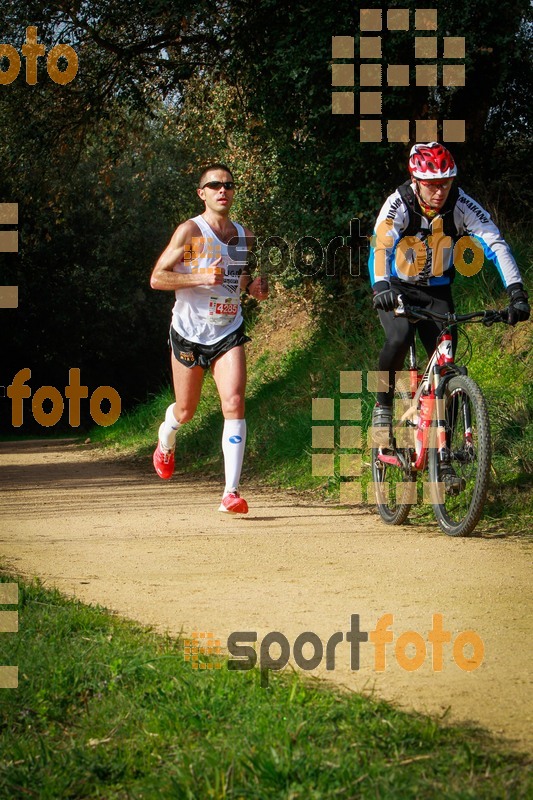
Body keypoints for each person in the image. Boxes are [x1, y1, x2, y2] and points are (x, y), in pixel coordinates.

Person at [368, 142, 530, 486]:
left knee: (448, 369)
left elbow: (494, 241)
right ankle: (383, 407)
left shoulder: (461, 203)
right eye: (432, 184)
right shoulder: (399, 203)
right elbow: (381, 244)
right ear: (415, 180)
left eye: (446, 182)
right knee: (398, 337)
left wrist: (516, 291)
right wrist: (381, 285)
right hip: (396, 285)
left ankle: (444, 459)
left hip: (436, 292)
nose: (440, 191)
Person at [149, 163, 268, 513]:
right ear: (202, 193)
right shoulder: (191, 234)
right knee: (186, 411)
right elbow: (159, 277)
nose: (223, 190)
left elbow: (235, 278)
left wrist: (252, 287)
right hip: (188, 332)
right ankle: (166, 439)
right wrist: (198, 277)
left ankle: (230, 492)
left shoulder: (241, 236)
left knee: (233, 402)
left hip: (227, 330)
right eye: (215, 185)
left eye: (229, 185)